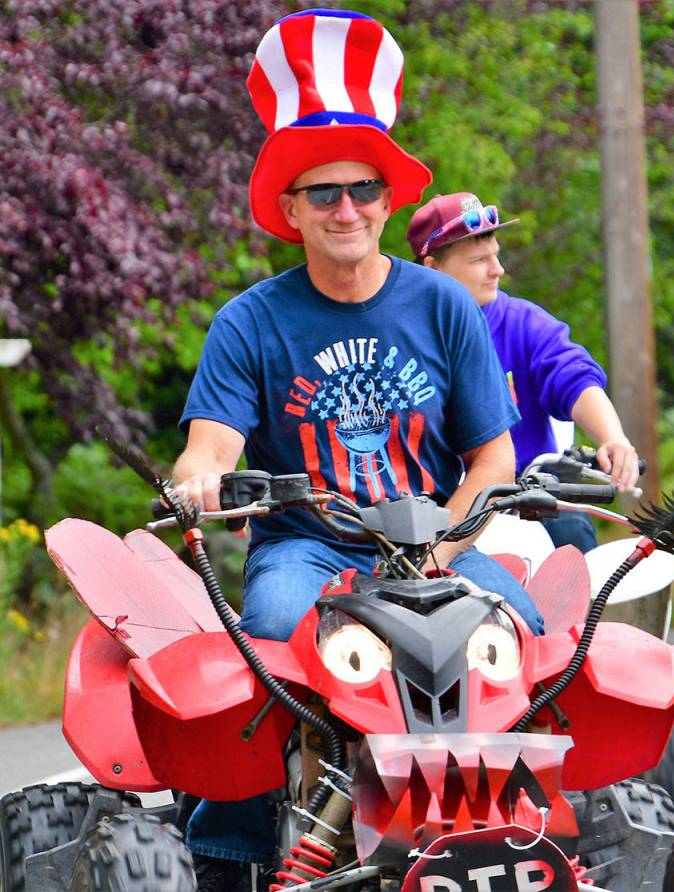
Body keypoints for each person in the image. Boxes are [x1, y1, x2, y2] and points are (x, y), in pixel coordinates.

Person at [173, 11, 541, 889]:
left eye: (364, 189)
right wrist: (198, 482)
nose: (347, 208)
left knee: (523, 631)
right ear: (290, 209)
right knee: (264, 634)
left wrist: (444, 547)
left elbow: (493, 461)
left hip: (432, 539)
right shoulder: (251, 322)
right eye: (325, 193)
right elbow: (209, 448)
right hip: (308, 543)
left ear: (389, 201)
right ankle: (229, 845)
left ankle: (526, 836)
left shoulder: (444, 307)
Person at [406, 192, 640, 553]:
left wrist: (613, 438)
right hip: (434, 509)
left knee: (573, 529)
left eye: (496, 255)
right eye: (480, 260)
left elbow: (573, 376)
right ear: (433, 268)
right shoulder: (401, 335)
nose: (497, 269)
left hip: (523, 501)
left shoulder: (524, 323)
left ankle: (583, 612)